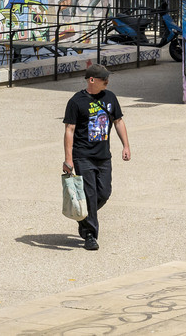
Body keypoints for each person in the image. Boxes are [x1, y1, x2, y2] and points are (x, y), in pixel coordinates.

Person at [63, 65, 130, 250]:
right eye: (103, 79)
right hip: (83, 155)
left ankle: (84, 215)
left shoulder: (110, 97)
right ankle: (90, 235)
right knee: (90, 194)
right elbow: (69, 130)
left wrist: (126, 145)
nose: (107, 81)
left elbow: (118, 121)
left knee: (104, 193)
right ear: (91, 80)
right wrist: (68, 159)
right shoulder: (76, 101)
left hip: (103, 156)